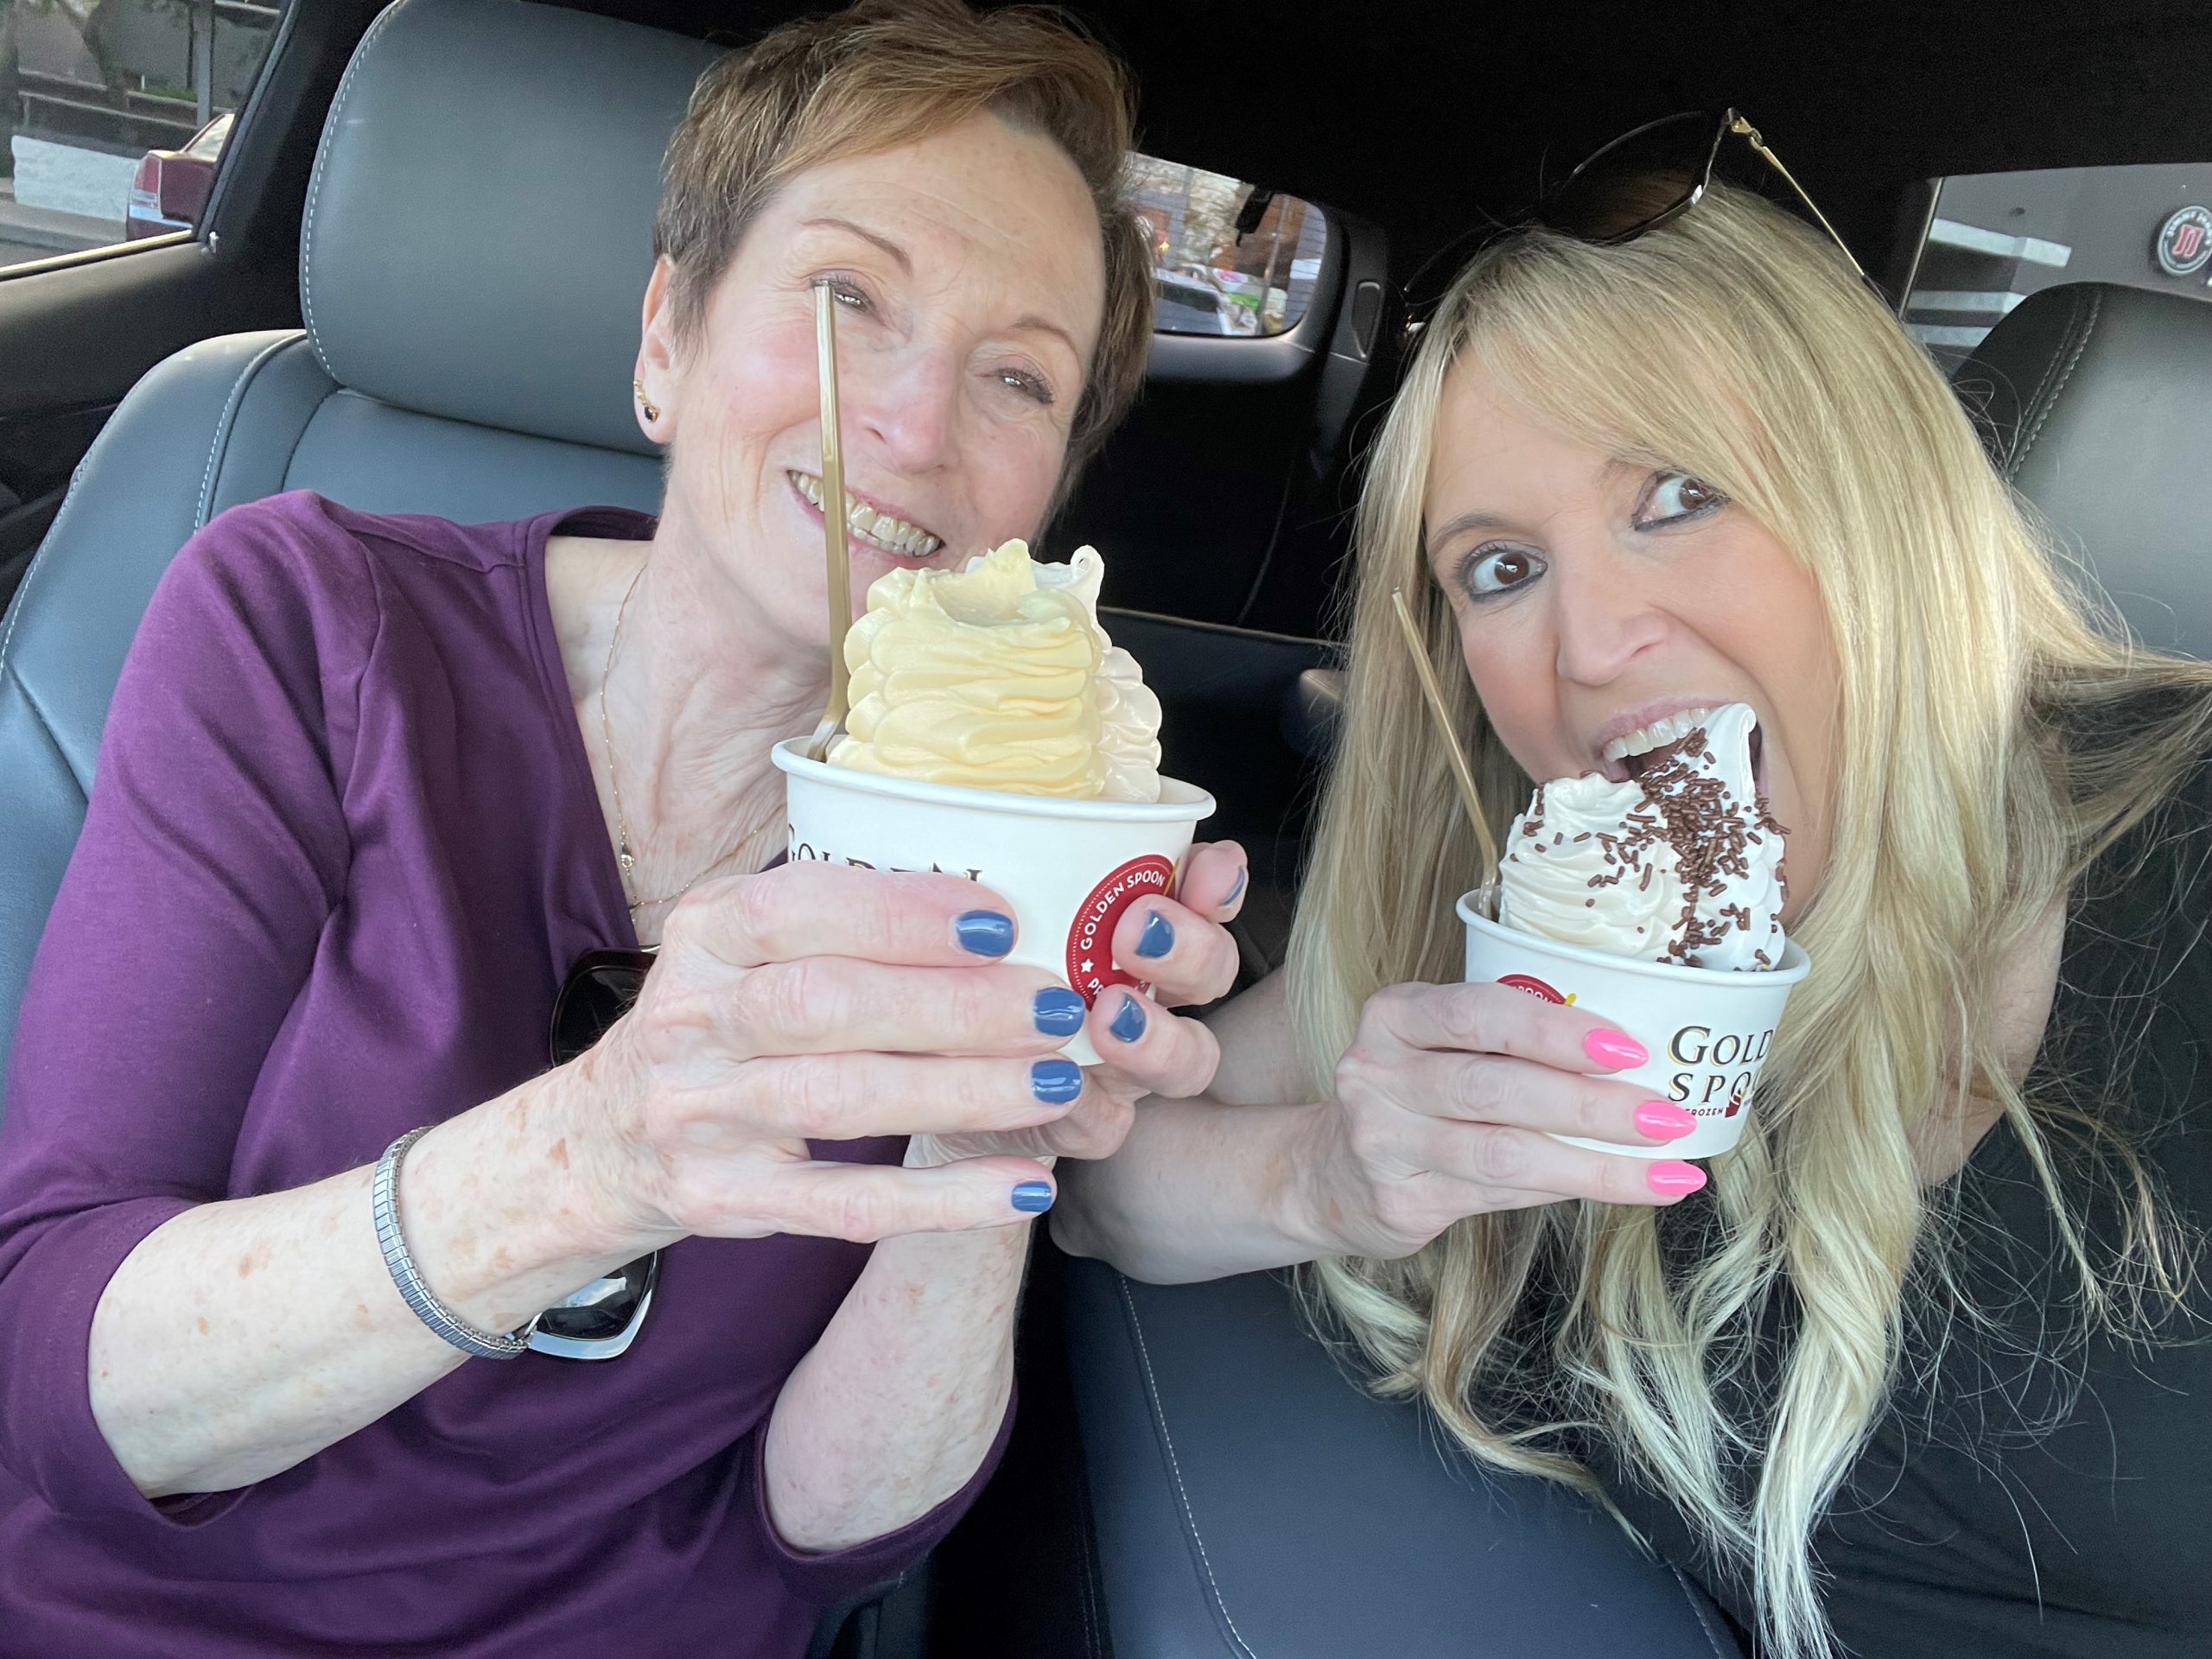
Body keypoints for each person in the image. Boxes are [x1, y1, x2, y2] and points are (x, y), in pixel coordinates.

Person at [0, 3, 1246, 1656]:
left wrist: (993, 1140)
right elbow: (57, 1370)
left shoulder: (1016, 857)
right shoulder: (308, 626)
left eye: (1016, 375)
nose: (916, 426)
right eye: (843, 297)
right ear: (665, 338)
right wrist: (595, 1158)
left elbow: (823, 1544)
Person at [1057, 179, 2212, 1658]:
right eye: (1503, 568)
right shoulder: (1525, 926)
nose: (1592, 647)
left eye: (1678, 495)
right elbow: (1103, 1183)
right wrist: (1330, 1179)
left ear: (1877, 493)